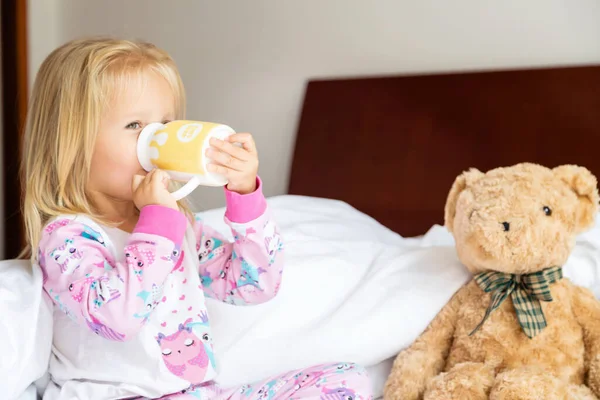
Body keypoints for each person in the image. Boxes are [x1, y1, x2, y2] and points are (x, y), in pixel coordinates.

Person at [22, 37, 372, 399]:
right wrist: (157, 226)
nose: (155, 140)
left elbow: (254, 285)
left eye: (165, 123)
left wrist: (244, 195)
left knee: (348, 380)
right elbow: (118, 319)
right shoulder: (68, 237)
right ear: (72, 141)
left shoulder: (180, 227)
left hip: (196, 393)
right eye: (135, 126)